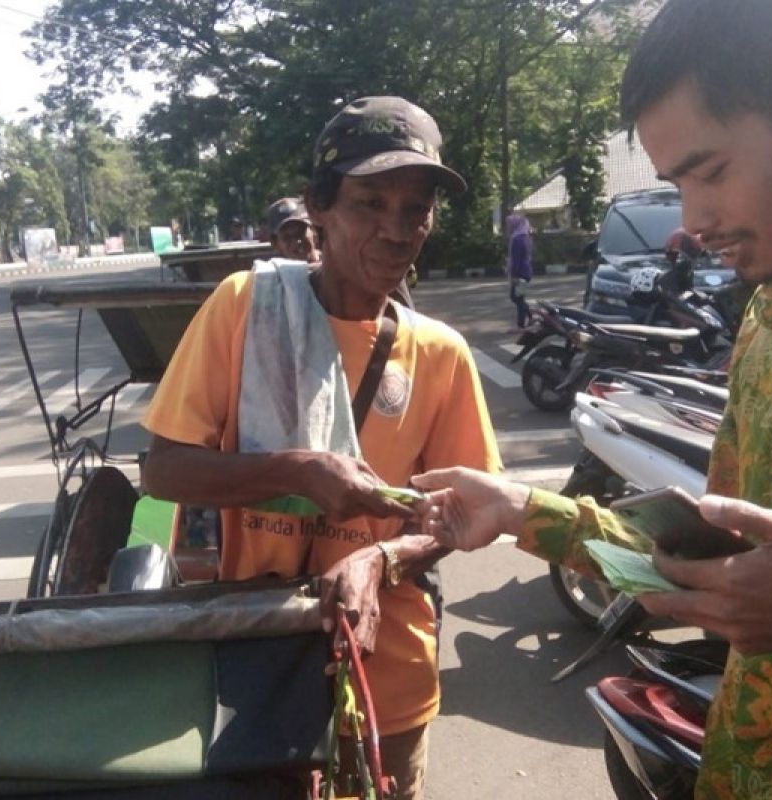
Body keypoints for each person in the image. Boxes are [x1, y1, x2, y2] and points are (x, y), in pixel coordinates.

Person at [413, 1, 772, 797]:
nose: (691, 222)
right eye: (675, 184)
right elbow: (712, 568)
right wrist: (525, 513)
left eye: (713, 171)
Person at [141, 96, 502, 799]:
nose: (397, 231)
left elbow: (460, 512)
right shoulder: (245, 308)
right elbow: (162, 470)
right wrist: (301, 470)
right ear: (319, 208)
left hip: (387, 677)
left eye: (416, 209)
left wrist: (381, 557)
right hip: (254, 668)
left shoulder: (442, 355)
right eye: (370, 203)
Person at [266, 196, 321, 262]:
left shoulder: (333, 263)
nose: (296, 242)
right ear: (276, 244)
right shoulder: (270, 271)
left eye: (300, 233)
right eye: (287, 238)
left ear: (315, 233)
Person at [505, 212, 533, 328]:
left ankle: (524, 323)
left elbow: (516, 259)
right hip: (526, 271)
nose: (508, 227)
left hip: (520, 272)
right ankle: (528, 318)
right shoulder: (525, 237)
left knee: (516, 297)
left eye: (510, 224)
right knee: (519, 297)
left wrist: (514, 274)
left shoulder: (517, 239)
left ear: (515, 225)